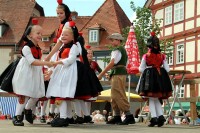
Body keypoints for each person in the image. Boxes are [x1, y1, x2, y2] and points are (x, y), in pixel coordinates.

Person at [12, 23, 53, 126]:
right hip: (25, 73)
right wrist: (46, 63)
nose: (40, 35)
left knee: (37, 94)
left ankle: (27, 109)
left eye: (41, 33)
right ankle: (17, 116)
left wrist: (43, 71)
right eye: (37, 33)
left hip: (35, 72)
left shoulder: (37, 48)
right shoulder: (26, 47)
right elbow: (32, 61)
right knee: (24, 94)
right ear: (30, 35)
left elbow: (37, 62)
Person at [136, 32, 173, 127]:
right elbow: (167, 69)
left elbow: (141, 68)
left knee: (152, 99)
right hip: (161, 77)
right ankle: (160, 116)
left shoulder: (146, 56)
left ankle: (154, 118)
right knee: (156, 98)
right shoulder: (162, 55)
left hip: (150, 78)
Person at [98, 33, 135, 125]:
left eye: (113, 40)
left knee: (118, 94)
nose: (111, 41)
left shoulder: (117, 50)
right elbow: (119, 65)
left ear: (118, 40)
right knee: (114, 95)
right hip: (118, 73)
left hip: (118, 74)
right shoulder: (121, 50)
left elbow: (112, 63)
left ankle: (128, 115)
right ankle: (117, 116)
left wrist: (102, 74)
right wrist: (111, 74)